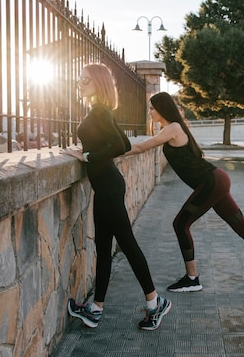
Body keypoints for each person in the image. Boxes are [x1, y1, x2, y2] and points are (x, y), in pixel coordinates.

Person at [126, 92, 244, 292]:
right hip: (216, 180)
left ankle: (192, 279)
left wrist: (107, 152)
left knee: (181, 224)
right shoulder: (173, 128)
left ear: (162, 108)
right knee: (241, 227)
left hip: (211, 182)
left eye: (152, 108)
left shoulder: (172, 127)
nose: (150, 112)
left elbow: (140, 147)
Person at [63, 64, 171, 330]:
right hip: (105, 187)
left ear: (97, 83)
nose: (80, 84)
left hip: (109, 187)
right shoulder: (100, 110)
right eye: (79, 80)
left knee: (127, 245)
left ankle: (155, 303)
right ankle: (96, 309)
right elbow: (118, 139)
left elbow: (121, 145)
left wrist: (87, 156)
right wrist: (86, 150)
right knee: (103, 247)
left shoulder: (100, 111)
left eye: (85, 80)